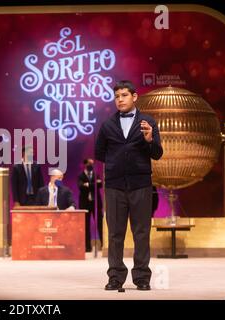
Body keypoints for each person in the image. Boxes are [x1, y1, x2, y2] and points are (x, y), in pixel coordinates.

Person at [95, 80, 163, 291]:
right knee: (115, 233)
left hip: (141, 185)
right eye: (117, 96)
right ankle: (115, 276)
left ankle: (142, 277)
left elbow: (157, 154)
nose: (120, 100)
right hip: (114, 186)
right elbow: (99, 153)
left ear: (134, 97)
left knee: (141, 232)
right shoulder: (107, 125)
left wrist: (149, 139)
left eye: (124, 95)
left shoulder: (148, 122)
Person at [77, 158, 103, 252]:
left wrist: (88, 184)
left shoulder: (96, 174)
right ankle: (87, 247)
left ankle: (103, 245)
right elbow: (80, 186)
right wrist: (94, 184)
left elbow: (100, 185)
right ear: (85, 164)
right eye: (89, 163)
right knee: (86, 225)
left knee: (100, 224)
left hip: (96, 203)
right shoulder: (80, 175)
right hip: (85, 204)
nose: (91, 165)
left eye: (92, 163)